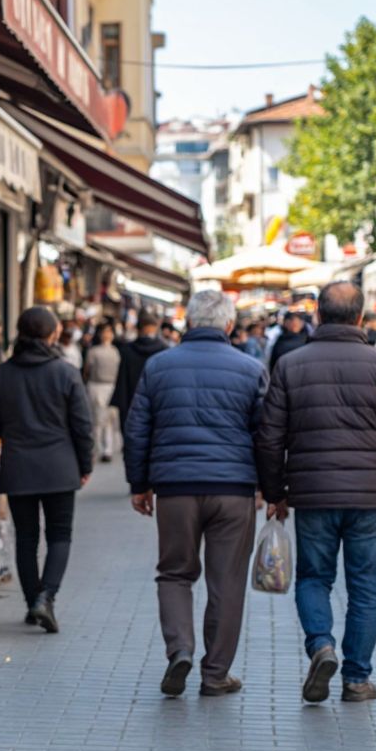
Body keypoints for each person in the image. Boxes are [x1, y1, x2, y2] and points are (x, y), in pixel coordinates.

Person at [256, 281, 376, 704]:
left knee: (314, 577)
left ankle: (321, 645)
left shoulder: (291, 365)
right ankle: (356, 679)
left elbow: (268, 437)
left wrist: (274, 491)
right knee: (366, 587)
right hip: (370, 498)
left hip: (313, 494)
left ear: (318, 315)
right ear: (360, 317)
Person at [125, 290, 268, 698]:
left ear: (187, 323)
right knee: (227, 581)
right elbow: (267, 435)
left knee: (174, 573)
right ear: (228, 325)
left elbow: (137, 431)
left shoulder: (159, 366)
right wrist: (271, 488)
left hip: (175, 490)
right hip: (233, 491)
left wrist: (140, 485)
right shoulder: (250, 368)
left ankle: (180, 650)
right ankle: (216, 673)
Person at [0, 307, 94, 634]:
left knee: (27, 538)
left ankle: (34, 601)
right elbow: (83, 426)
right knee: (60, 534)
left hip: (18, 466)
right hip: (60, 466)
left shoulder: (1, 374)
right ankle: (46, 597)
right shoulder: (66, 372)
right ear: (51, 334)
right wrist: (85, 465)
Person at [111, 311, 169, 436]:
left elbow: (122, 382)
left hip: (130, 405)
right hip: (155, 407)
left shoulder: (127, 350)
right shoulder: (164, 351)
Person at [84, 324, 121, 462]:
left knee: (108, 420)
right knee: (97, 419)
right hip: (96, 386)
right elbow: (87, 371)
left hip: (110, 386)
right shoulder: (94, 351)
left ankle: (107, 449)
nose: (107, 335)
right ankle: (97, 448)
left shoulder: (115, 351)